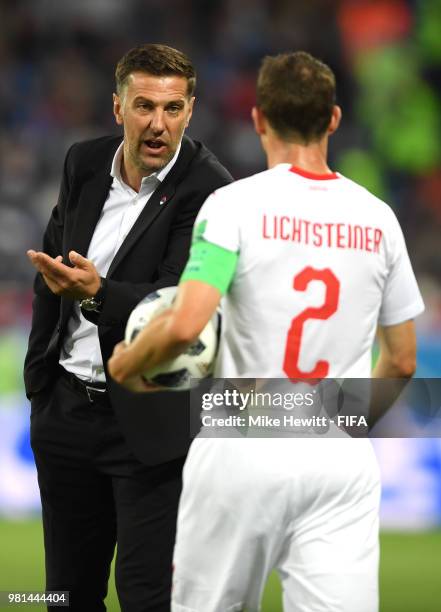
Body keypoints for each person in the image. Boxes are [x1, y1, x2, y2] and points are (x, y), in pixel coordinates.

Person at [108, 51, 424, 612]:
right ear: (333, 120)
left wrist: (129, 365)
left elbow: (186, 323)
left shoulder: (232, 207)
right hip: (336, 459)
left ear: (258, 119)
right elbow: (401, 361)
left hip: (241, 448)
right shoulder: (380, 219)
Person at [24, 43, 232, 612]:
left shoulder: (211, 190)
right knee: (65, 595)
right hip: (66, 413)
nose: (157, 123)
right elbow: (51, 268)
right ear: (118, 108)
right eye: (143, 106)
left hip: (149, 425)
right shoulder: (83, 162)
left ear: (191, 110)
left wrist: (98, 294)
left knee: (146, 597)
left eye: (171, 108)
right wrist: (40, 385)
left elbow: (178, 299)